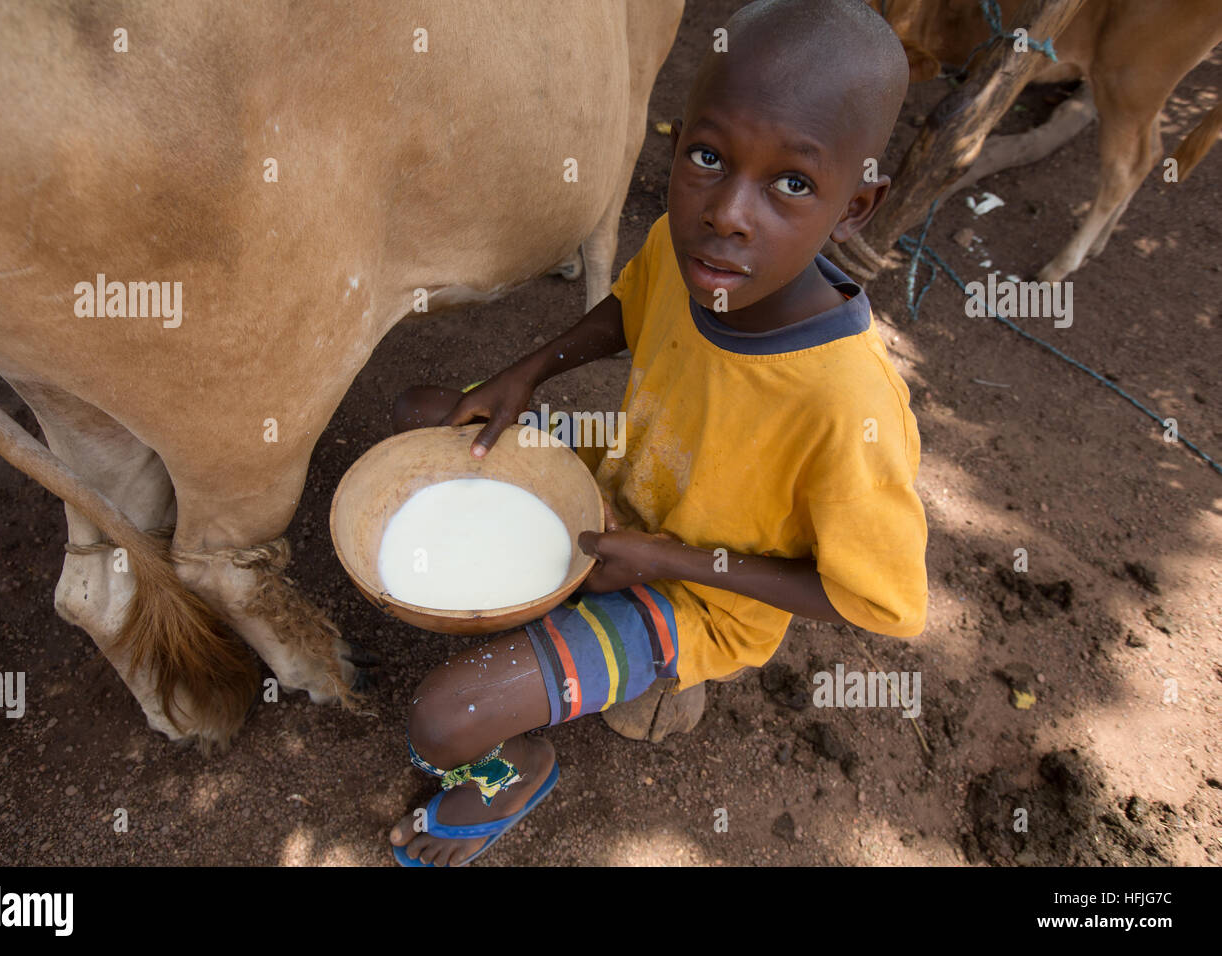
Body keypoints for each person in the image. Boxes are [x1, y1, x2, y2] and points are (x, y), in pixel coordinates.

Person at [388, 0, 926, 866]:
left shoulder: (844, 404)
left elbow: (878, 604)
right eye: (707, 158)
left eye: (792, 183)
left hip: (694, 599)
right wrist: (525, 373)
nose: (728, 213)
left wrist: (668, 561)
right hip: (617, 486)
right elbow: (629, 311)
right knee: (425, 415)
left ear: (856, 205)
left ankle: (520, 769)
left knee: (443, 719)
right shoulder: (692, 257)